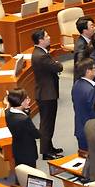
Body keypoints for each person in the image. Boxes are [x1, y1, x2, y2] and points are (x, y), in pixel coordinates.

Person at [31, 29, 63, 160]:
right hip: (46, 94)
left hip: (46, 92)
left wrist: (55, 63)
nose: (49, 37)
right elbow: (58, 67)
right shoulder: (41, 55)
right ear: (40, 40)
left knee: (49, 122)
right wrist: (57, 64)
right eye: (47, 36)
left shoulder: (40, 52)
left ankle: (49, 147)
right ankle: (46, 152)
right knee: (46, 124)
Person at [5, 89, 40, 169]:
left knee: (20, 170)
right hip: (27, 151)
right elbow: (36, 134)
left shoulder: (8, 112)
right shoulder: (24, 119)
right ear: (20, 102)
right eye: (27, 99)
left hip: (17, 148)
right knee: (30, 173)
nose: (29, 100)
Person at [71, 58, 95, 151]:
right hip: (90, 131)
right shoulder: (90, 90)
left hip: (80, 128)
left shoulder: (77, 84)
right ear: (88, 71)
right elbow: (94, 113)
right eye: (94, 68)